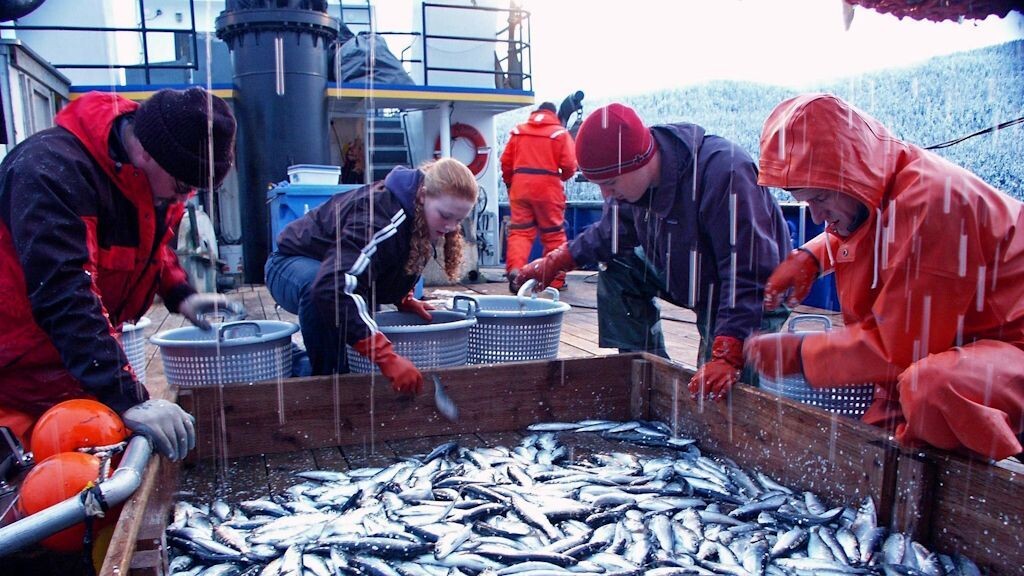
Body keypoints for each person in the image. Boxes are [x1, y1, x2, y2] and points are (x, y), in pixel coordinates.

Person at [745, 93, 1024, 461]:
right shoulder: (881, 185)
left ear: (850, 177)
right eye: (806, 203)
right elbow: (870, 228)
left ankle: (977, 478)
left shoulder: (934, 204)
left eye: (820, 200)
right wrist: (810, 257)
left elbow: (898, 350)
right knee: (896, 407)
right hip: (957, 338)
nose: (815, 217)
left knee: (930, 389)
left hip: (1009, 348)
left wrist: (799, 353)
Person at [0, 87, 239, 461]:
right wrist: (128, 396)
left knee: (97, 491)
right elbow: (64, 293)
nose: (183, 198)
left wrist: (180, 293)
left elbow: (150, 246)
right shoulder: (51, 172)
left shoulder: (150, 173)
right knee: (33, 499)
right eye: (182, 187)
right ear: (145, 151)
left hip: (74, 374)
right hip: (14, 382)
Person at [515, 103, 791, 400]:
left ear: (641, 160)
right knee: (618, 265)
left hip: (753, 294)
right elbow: (609, 233)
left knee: (721, 399)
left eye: (609, 183)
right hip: (693, 277)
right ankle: (648, 373)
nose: (606, 195)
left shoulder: (726, 172)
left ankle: (737, 379)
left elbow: (748, 271)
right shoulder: (633, 186)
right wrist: (557, 261)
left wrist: (726, 354)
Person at [265, 157, 478, 392]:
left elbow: (380, 259)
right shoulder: (381, 215)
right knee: (323, 289)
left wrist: (403, 297)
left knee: (344, 303)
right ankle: (324, 386)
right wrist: (385, 357)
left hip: (335, 271)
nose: (449, 226)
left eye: (458, 220)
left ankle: (329, 370)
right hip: (290, 264)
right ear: (422, 195)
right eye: (445, 216)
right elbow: (334, 285)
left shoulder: (418, 215)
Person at [502, 102, 577, 291]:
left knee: (520, 232)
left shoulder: (518, 131)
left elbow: (505, 163)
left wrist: (511, 184)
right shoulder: (560, 133)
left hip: (520, 187)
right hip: (548, 188)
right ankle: (555, 282)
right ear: (553, 114)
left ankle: (516, 273)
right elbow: (569, 165)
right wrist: (559, 177)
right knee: (553, 236)